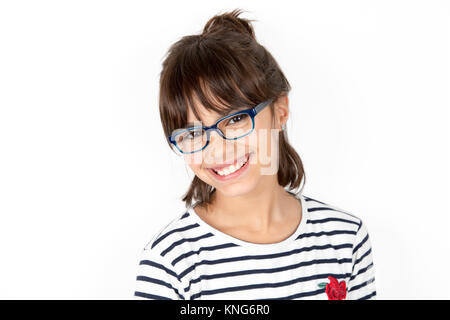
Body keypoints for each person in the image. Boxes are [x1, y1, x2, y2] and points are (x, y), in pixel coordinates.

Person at [134, 8, 376, 300]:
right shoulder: (171, 263)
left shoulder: (345, 239)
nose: (219, 149)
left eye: (235, 119)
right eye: (194, 133)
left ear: (280, 110)